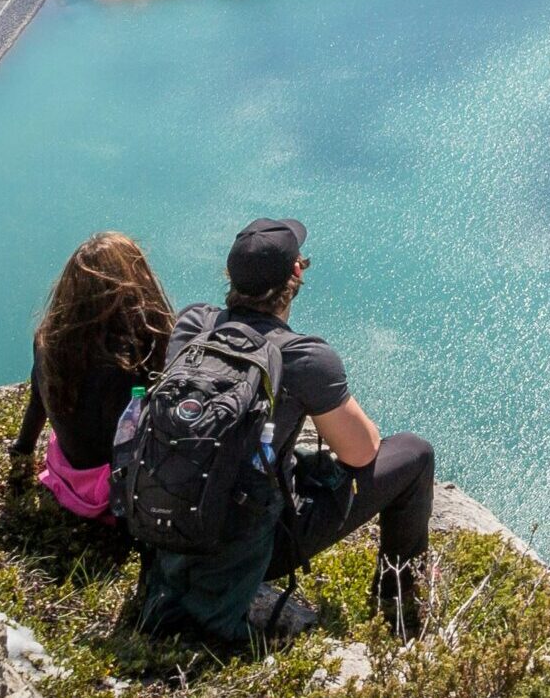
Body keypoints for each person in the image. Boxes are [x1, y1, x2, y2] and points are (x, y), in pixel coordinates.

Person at [132, 218, 437, 647]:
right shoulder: (303, 356)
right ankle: (397, 607)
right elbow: (362, 454)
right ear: (296, 273)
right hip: (252, 546)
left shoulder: (192, 325)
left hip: (169, 523)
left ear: (230, 276)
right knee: (414, 454)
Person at [8, 232, 174, 524]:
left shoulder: (48, 340)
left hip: (66, 476)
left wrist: (21, 452)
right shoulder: (132, 362)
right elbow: (126, 444)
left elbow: (37, 402)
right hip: (109, 495)